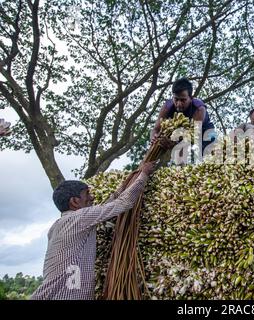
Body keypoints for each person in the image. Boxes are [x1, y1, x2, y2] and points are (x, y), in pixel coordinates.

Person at [31, 161, 158, 300]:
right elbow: (123, 203)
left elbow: (108, 205)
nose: (92, 197)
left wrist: (129, 181)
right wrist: (144, 174)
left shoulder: (56, 226)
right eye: (87, 194)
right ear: (74, 202)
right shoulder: (80, 218)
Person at [150, 78, 215, 154]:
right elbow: (155, 129)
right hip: (180, 132)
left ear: (191, 98)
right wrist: (154, 139)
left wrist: (174, 144)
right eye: (176, 99)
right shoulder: (166, 107)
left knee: (208, 152)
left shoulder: (199, 109)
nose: (179, 104)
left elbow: (192, 135)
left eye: (183, 100)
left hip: (204, 131)